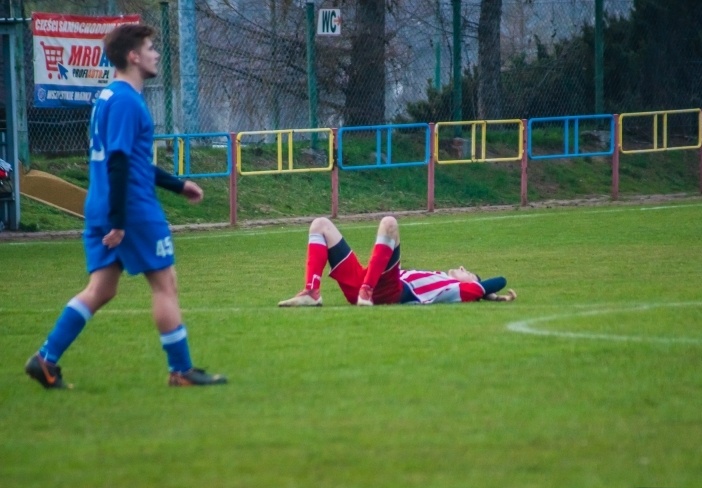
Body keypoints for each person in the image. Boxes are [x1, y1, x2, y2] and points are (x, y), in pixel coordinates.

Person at [24, 24, 227, 388]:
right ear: (133, 56)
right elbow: (119, 161)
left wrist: (177, 185)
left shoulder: (109, 97)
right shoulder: (126, 101)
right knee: (165, 284)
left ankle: (45, 359)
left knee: (101, 289)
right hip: (131, 209)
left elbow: (129, 158)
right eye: (149, 48)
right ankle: (181, 370)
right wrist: (119, 221)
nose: (155, 54)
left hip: (104, 204)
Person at [278, 216, 517, 307]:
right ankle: (312, 292)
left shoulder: (457, 289)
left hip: (387, 291)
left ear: (472, 284)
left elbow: (500, 280)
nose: (463, 268)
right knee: (320, 225)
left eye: (469, 272)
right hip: (367, 281)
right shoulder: (441, 276)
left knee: (390, 223)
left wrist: (484, 291)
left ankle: (366, 291)